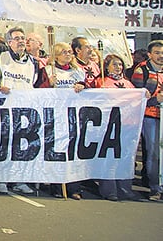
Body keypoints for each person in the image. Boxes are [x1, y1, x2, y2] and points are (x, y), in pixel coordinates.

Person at [0, 27, 44, 195]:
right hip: (4, 108)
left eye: (23, 38)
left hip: (25, 108)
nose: (21, 41)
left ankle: (20, 180)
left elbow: (35, 84)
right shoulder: (2, 57)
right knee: (5, 143)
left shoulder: (33, 62)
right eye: (17, 38)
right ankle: (2, 178)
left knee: (22, 144)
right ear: (9, 42)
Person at [44, 42, 87, 199]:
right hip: (56, 114)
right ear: (56, 55)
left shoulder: (78, 72)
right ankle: (57, 186)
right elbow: (39, 90)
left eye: (70, 52)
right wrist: (48, 83)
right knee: (57, 150)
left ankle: (74, 187)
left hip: (73, 115)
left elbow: (88, 88)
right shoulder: (49, 70)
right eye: (64, 52)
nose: (68, 54)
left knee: (73, 151)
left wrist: (82, 85)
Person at [97, 53, 141, 201]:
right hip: (110, 125)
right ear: (107, 67)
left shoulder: (128, 83)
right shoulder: (102, 81)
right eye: (114, 64)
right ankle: (109, 190)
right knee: (110, 158)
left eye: (120, 64)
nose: (118, 67)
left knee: (126, 158)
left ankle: (125, 189)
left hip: (128, 125)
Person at [131, 39, 163, 201]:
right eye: (157, 53)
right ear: (150, 54)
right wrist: (155, 100)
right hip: (150, 116)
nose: (161, 56)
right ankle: (155, 188)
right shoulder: (141, 70)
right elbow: (136, 97)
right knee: (153, 153)